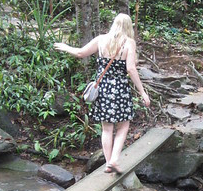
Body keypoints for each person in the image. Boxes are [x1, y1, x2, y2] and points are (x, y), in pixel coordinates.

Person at [54, 13, 150, 174]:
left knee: (106, 128)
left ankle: (108, 163)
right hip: (120, 89)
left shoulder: (101, 39)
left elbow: (80, 53)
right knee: (123, 126)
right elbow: (130, 69)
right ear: (129, 27)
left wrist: (65, 47)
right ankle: (114, 160)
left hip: (103, 88)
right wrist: (142, 92)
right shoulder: (129, 43)